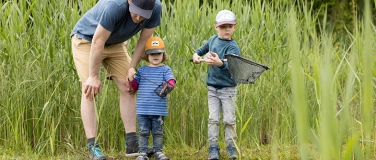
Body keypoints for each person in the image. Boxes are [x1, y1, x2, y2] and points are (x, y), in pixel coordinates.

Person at [70, 0, 162, 159]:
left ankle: (132, 143)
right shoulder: (115, 5)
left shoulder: (156, 8)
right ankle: (93, 147)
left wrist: (132, 68)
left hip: (115, 44)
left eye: (143, 15)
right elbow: (98, 41)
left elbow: (142, 42)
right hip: (88, 40)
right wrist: (93, 76)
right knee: (89, 90)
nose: (139, 18)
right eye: (136, 12)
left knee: (129, 86)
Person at [192, 9, 240, 160]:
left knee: (229, 120)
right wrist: (196, 55)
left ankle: (231, 148)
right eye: (223, 26)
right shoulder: (212, 40)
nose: (226, 29)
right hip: (212, 88)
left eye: (229, 26)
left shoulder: (233, 47)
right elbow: (202, 49)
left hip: (228, 89)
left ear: (234, 27)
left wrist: (220, 64)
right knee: (213, 119)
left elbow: (234, 69)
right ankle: (213, 148)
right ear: (216, 27)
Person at [129, 36, 175, 160]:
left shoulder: (165, 69)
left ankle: (158, 151)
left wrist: (170, 84)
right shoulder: (142, 70)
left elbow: (171, 80)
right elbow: (135, 86)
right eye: (152, 53)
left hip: (158, 110)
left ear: (163, 55)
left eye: (158, 53)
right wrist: (131, 78)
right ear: (146, 55)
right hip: (143, 109)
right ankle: (143, 153)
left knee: (158, 132)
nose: (155, 56)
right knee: (143, 132)